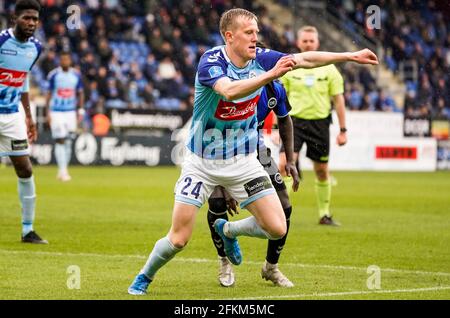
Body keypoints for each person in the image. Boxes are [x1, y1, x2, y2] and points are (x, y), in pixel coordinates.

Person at [128, 8, 378, 295]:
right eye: (249, 33)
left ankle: (228, 230)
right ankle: (144, 276)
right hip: (201, 162)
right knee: (179, 238)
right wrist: (270, 74)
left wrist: (349, 56)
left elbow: (304, 59)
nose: (255, 38)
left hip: (244, 161)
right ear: (229, 36)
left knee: (277, 227)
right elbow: (230, 91)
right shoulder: (211, 62)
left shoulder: (260, 57)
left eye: (257, 32)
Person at [207, 79, 299, 288]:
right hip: (216, 148)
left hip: (255, 150)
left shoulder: (274, 88)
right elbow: (214, 128)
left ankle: (271, 267)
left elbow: (285, 120)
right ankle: (224, 261)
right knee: (218, 203)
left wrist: (291, 160)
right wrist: (224, 185)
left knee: (284, 205)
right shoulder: (228, 87)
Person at [279, 26, 349, 226]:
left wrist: (343, 130)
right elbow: (278, 98)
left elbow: (339, 100)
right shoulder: (290, 66)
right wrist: (276, 128)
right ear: (298, 42)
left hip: (320, 124)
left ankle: (324, 214)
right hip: (294, 123)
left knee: (321, 170)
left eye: (312, 41)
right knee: (284, 164)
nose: (308, 44)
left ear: (317, 43)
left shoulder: (330, 69)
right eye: (305, 41)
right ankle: (282, 212)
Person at [0, 0, 47, 244]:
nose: (31, 23)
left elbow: (23, 80)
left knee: (25, 168)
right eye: (26, 18)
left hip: (12, 116)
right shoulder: (1, 42)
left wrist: (28, 116)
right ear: (14, 18)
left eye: (35, 19)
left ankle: (27, 230)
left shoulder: (35, 48)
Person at [45, 51, 85, 181]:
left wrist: (80, 110)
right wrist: (47, 112)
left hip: (70, 111)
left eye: (67, 60)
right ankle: (63, 171)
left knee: (68, 140)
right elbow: (49, 94)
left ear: (70, 61)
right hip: (57, 111)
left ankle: (63, 169)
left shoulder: (76, 75)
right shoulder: (54, 75)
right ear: (59, 61)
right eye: (62, 60)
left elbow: (80, 93)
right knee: (60, 139)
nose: (65, 62)